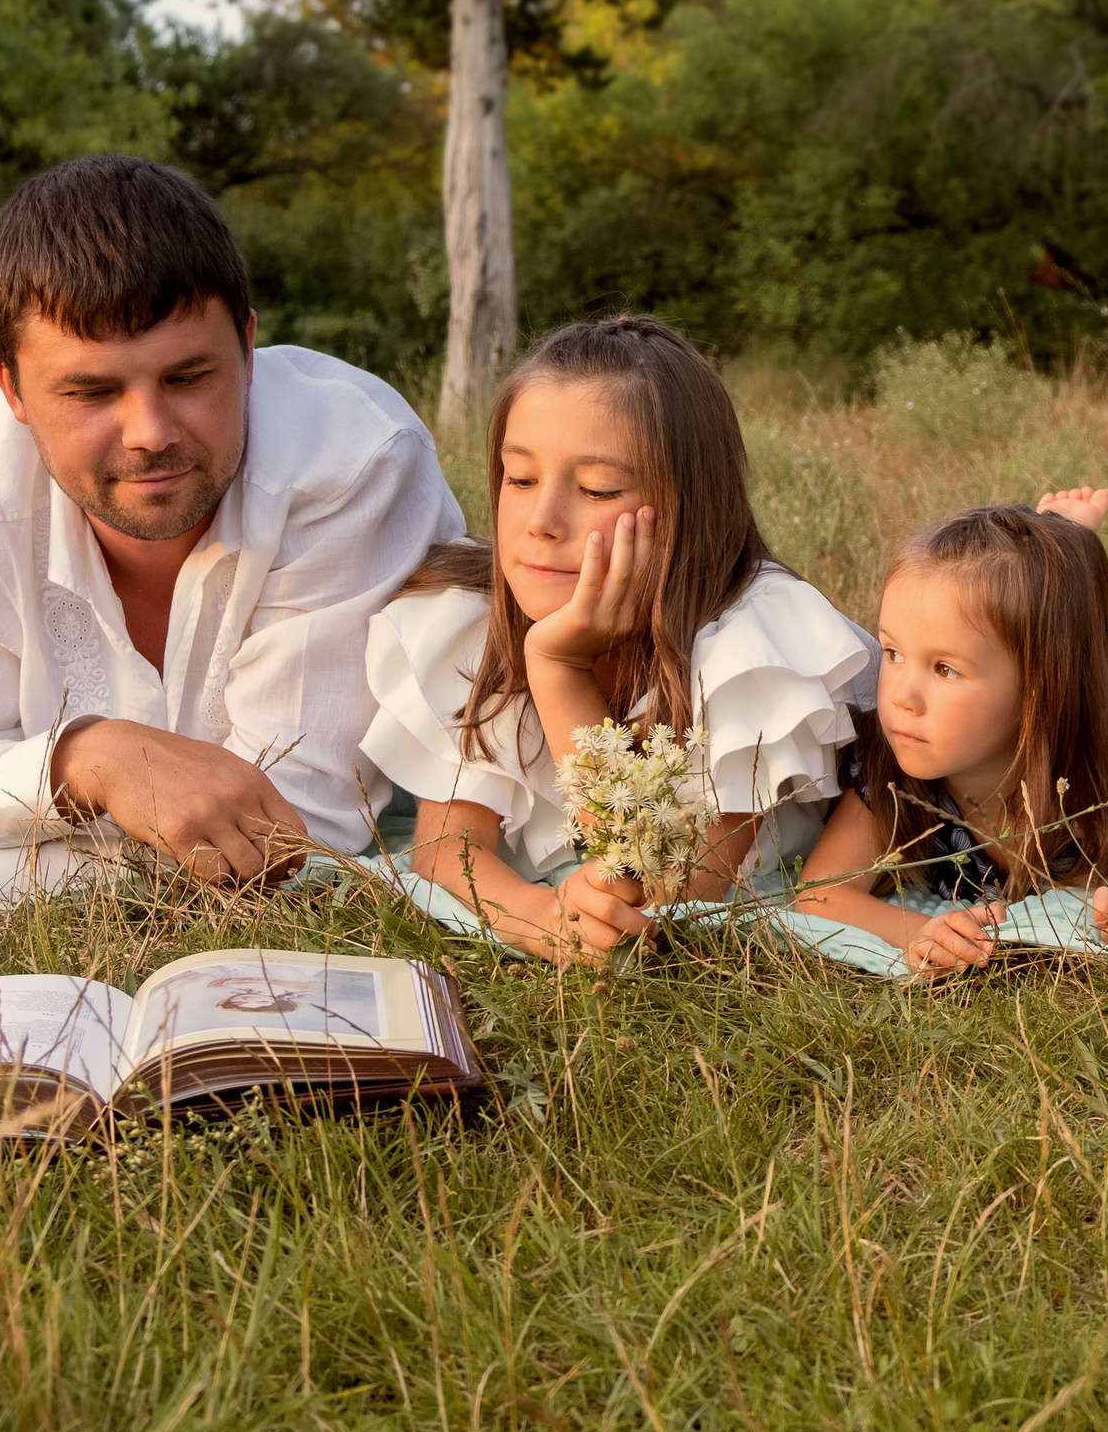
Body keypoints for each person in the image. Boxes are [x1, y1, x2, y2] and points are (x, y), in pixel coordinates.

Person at [0, 155, 467, 911]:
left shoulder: (353, 464)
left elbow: (290, 834)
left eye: (186, 378)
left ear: (246, 350)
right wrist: (83, 759)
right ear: (8, 387)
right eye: (92, 391)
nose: (149, 432)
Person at [362, 315, 878, 958]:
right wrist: (540, 916)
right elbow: (445, 852)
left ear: (691, 508)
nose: (542, 522)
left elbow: (669, 893)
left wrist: (557, 670)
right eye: (519, 478)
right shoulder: (471, 624)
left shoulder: (751, 651)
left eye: (597, 489)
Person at [790, 505, 1108, 973]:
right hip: (1056, 701)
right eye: (892, 653)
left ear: (1037, 690)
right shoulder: (892, 768)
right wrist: (917, 930)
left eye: (945, 669)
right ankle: (1071, 602)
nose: (901, 698)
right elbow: (821, 894)